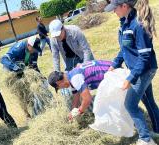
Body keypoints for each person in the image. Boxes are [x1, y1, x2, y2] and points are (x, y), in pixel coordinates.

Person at [105, 0, 159, 144]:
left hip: (144, 70)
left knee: (130, 105)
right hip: (140, 69)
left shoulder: (137, 24)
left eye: (115, 8)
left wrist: (131, 77)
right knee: (149, 101)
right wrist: (114, 64)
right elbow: (124, 49)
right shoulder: (125, 23)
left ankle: (145, 139)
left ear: (124, 6)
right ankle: (157, 131)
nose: (113, 11)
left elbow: (145, 56)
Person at [48, 60, 112, 120]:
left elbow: (87, 99)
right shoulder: (70, 76)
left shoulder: (75, 78)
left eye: (59, 87)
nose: (63, 88)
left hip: (114, 74)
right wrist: (72, 113)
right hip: (111, 69)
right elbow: (76, 97)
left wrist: (79, 112)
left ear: (58, 83)